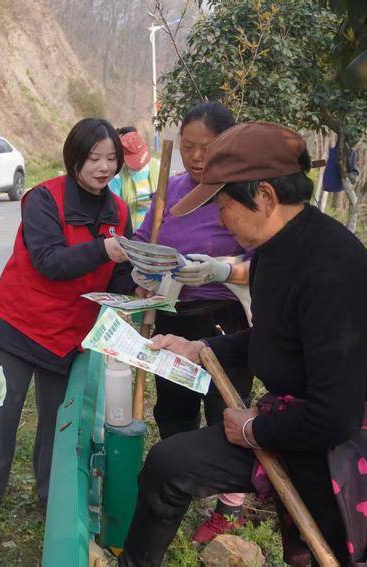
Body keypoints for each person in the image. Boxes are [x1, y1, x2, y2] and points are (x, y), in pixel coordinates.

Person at [116, 122, 367, 566]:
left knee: (329, 549)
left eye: (224, 205)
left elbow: (336, 417)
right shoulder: (271, 250)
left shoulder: (332, 273)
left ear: (264, 196)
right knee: (170, 464)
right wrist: (198, 349)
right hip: (298, 414)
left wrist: (253, 430)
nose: (221, 218)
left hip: (352, 440)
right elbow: (271, 338)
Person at [0, 118, 133, 534]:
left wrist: (135, 285)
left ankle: (51, 500)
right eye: (93, 158)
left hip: (69, 336)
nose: (103, 167)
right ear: (74, 158)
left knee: (59, 425)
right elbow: (50, 262)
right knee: (0, 416)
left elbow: (117, 275)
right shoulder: (43, 199)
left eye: (111, 158)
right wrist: (104, 250)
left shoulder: (119, 211)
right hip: (17, 327)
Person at [128, 102, 253, 542]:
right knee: (174, 408)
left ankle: (229, 509)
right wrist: (142, 269)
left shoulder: (244, 193)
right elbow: (143, 241)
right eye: (187, 147)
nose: (196, 157)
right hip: (174, 316)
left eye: (206, 147)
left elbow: (265, 262)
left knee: (227, 411)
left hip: (226, 320)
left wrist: (224, 268)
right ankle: (180, 489)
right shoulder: (170, 191)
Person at [108, 127, 158, 228]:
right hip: (131, 233)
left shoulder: (157, 166)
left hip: (156, 231)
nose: (140, 165)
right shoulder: (118, 178)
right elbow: (112, 209)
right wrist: (131, 205)